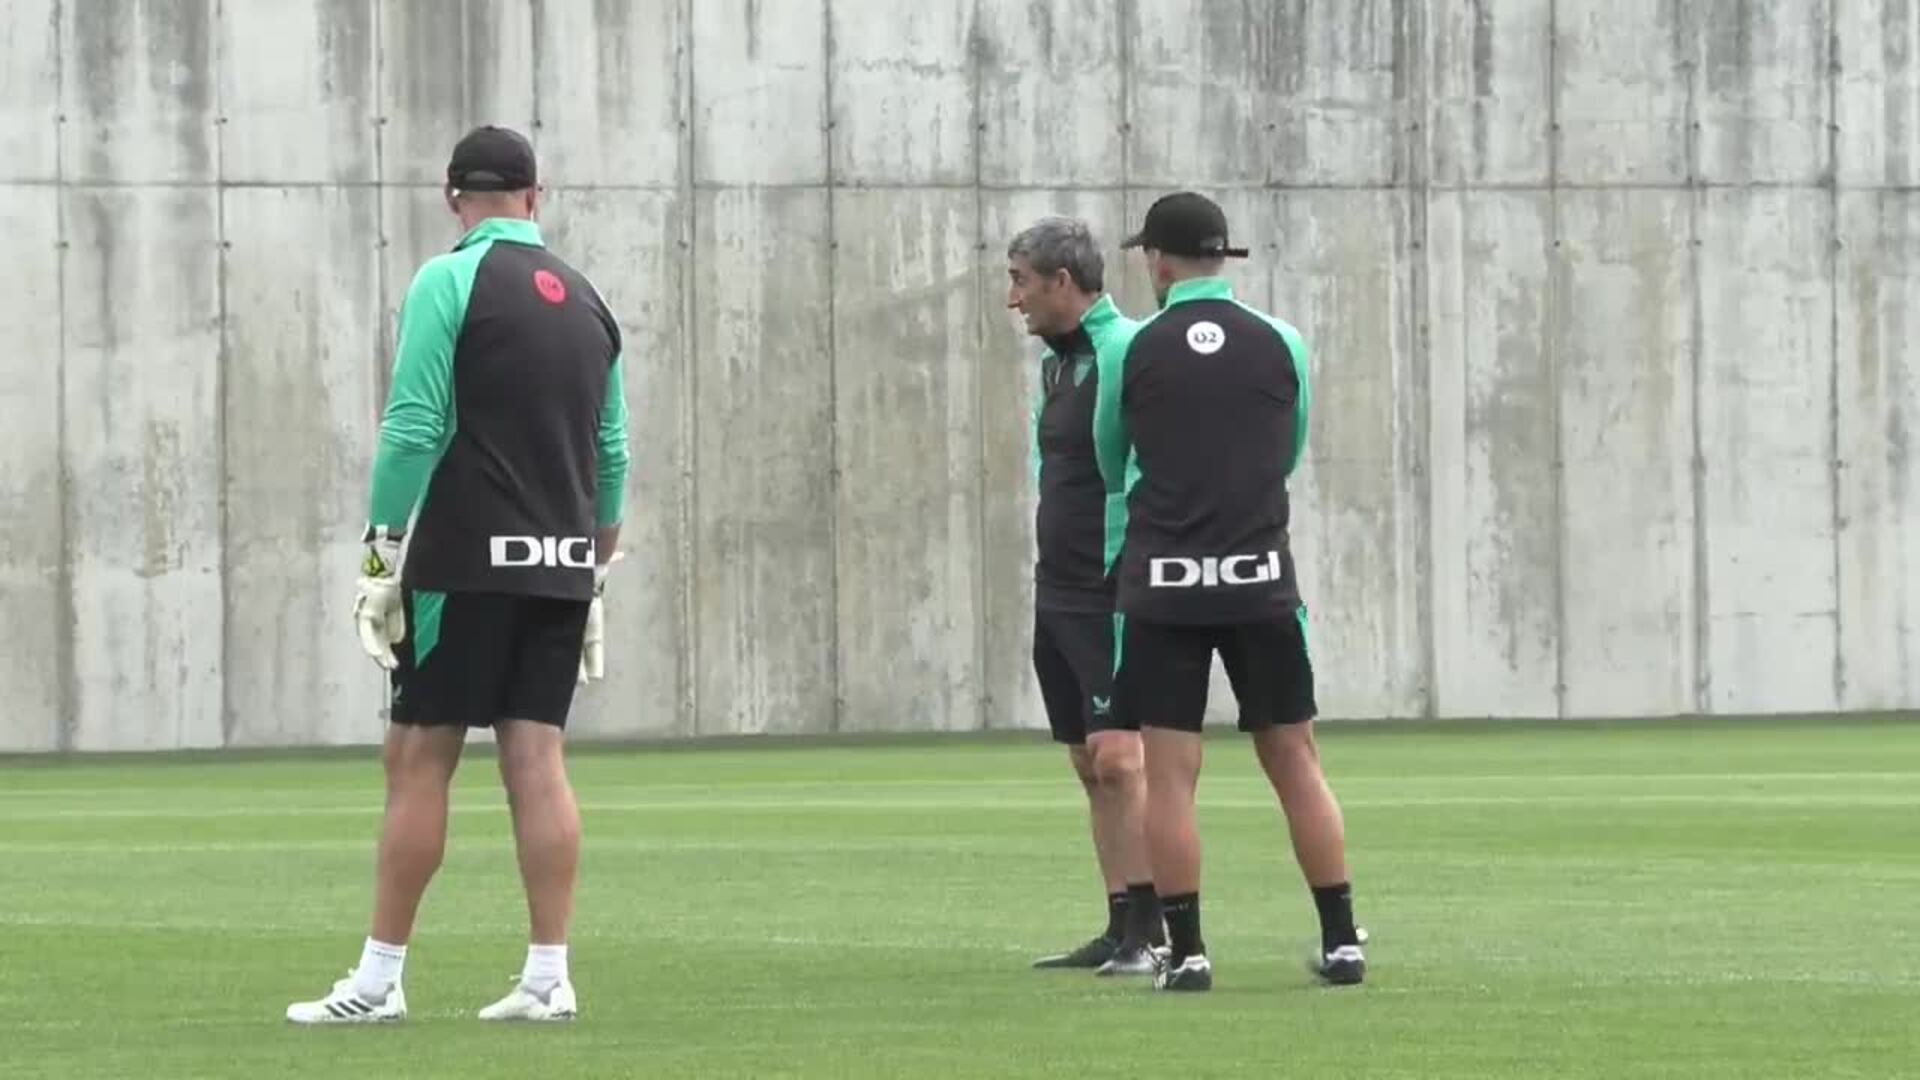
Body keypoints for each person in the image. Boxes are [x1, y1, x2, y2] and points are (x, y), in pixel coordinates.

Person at [286, 124, 631, 1024]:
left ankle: (377, 981)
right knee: (537, 758)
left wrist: (379, 558)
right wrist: (593, 569)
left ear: (452, 199)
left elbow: (413, 425)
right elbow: (613, 451)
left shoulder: (448, 279)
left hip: (465, 562)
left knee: (417, 756)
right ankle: (548, 977)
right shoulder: (587, 299)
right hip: (561, 563)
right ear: (535, 196)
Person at [1091, 191, 1365, 993]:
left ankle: (1189, 954)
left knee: (1171, 771)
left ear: (1157, 261)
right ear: (1222, 258)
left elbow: (1112, 458)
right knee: (1295, 759)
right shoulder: (1282, 341)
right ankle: (1342, 942)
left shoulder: (1132, 349)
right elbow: (1287, 450)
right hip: (1260, 577)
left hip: (1165, 583)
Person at [1006, 217, 1165, 977]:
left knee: (1120, 758)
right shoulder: (1057, 365)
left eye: (1021, 282)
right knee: (1087, 760)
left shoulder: (1126, 351)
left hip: (1110, 588)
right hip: (1058, 587)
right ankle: (1119, 922)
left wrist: (1133, 569)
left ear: (1062, 282)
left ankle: (1155, 931)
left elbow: (1154, 464)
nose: (1013, 300)